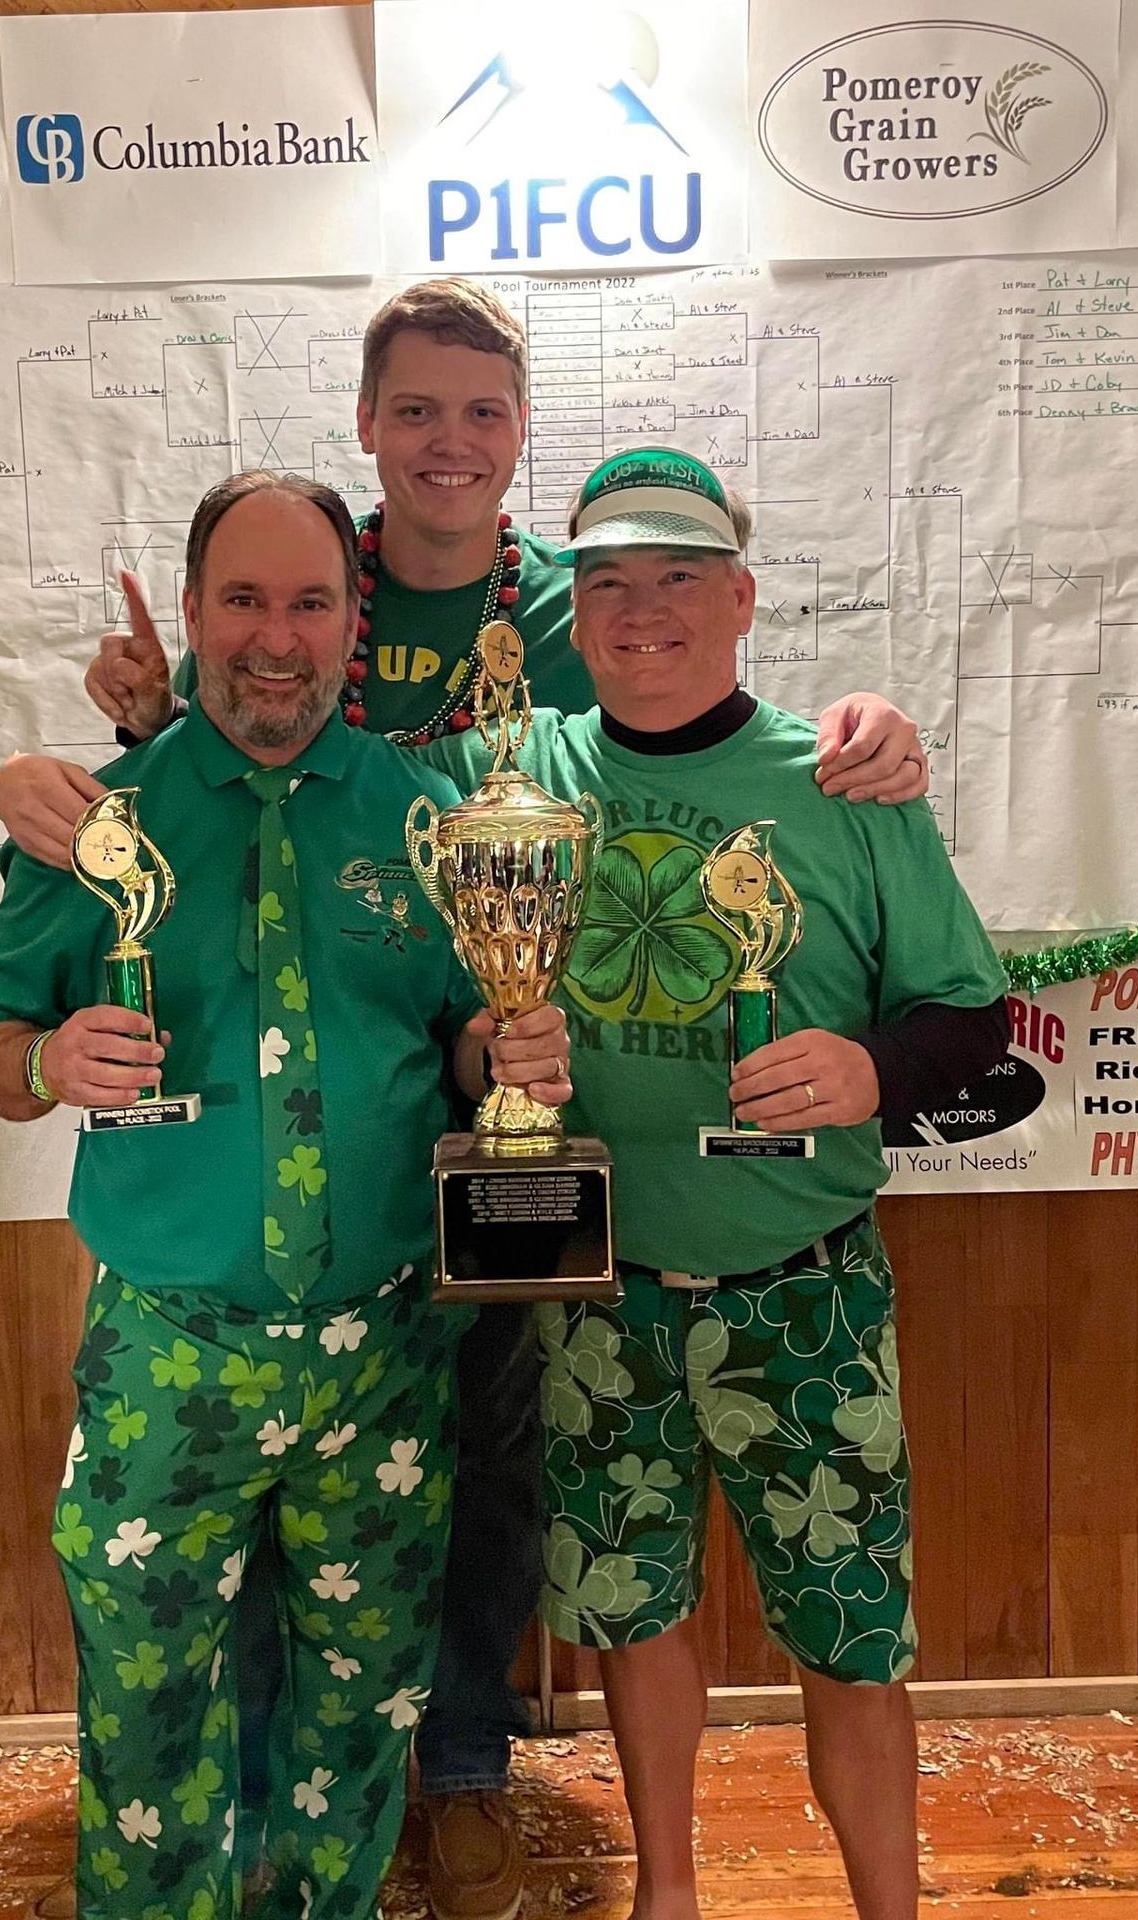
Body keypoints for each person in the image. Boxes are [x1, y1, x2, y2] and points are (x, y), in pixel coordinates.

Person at [0, 280, 935, 1920]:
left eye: (483, 416)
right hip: (285, 1212)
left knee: (482, 1483)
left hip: (517, 1156)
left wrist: (872, 729)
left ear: (516, 441)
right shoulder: (300, 593)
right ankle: (239, 1843)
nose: (448, 442)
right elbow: (222, 750)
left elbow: (702, 684)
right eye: (416, 410)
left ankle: (464, 1775)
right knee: (258, 1575)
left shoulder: (584, 600)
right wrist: (116, 744)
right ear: (368, 426)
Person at [0, 471, 572, 1920]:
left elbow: (456, 1029)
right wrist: (43, 1056)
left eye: (308, 602)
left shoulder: (426, 820)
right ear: (189, 617)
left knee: (357, 1723)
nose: (274, 636)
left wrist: (507, 1044)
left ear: (354, 626)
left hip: (384, 1357)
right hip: (171, 1356)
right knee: (151, 1720)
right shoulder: (98, 825)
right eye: (242, 600)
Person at [412, 447, 1010, 1920]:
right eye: (608, 582)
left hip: (803, 1287)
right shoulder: (513, 772)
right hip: (598, 1296)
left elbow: (970, 1021)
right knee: (630, 1618)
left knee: (853, 1640)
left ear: (742, 598)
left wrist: (875, 1071)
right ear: (573, 611)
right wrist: (487, 1038)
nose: (642, 611)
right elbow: (322, 794)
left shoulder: (844, 778)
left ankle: (890, 1909)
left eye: (680, 576)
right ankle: (669, 1895)